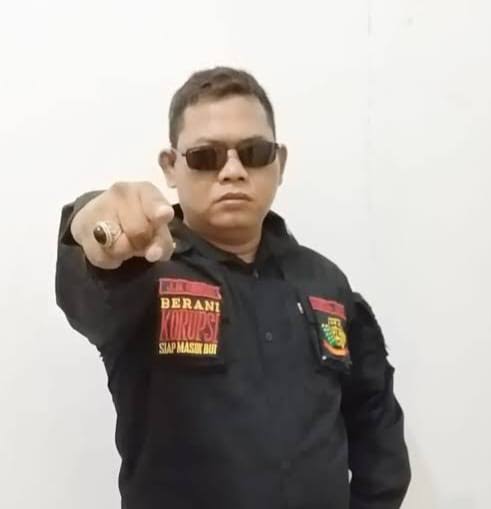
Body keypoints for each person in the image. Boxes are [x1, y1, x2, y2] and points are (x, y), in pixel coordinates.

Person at [55, 66, 411, 509]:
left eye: (254, 152)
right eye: (206, 156)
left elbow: (375, 422)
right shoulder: (143, 273)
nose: (233, 171)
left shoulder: (325, 282)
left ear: (280, 162)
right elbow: (90, 290)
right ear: (170, 166)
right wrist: (90, 229)